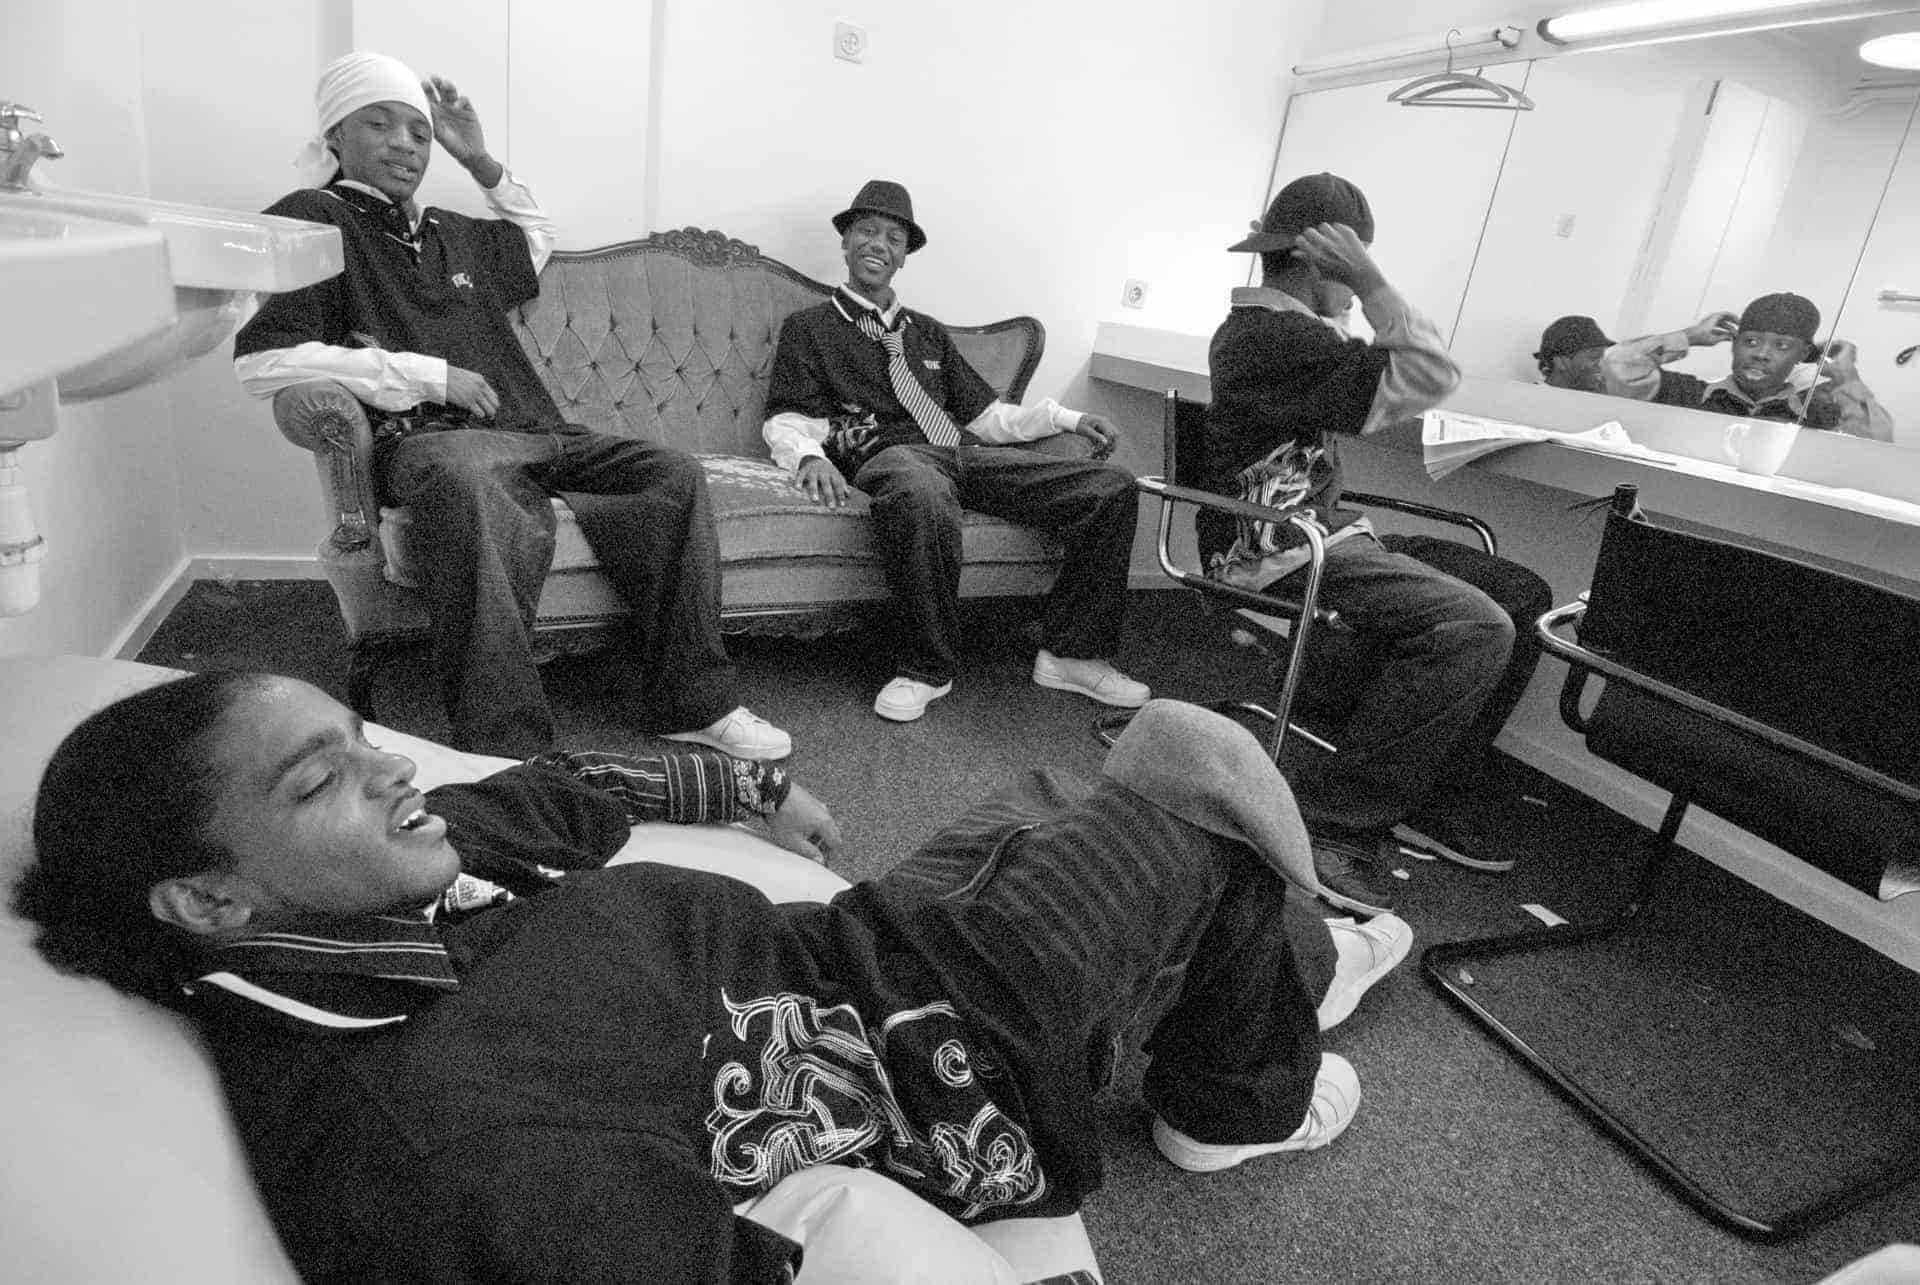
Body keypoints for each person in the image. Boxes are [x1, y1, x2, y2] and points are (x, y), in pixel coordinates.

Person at [14, 674, 1411, 1282]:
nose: (388, 768)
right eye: (322, 776)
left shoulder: (385, 879)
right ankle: (1237, 1098)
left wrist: (752, 787)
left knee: (1054, 792)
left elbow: (556, 788)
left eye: (359, 736)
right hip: (954, 1057)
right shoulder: (443, 1135)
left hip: (863, 939)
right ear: (210, 897)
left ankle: (1267, 985)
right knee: (1190, 759)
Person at [233, 52, 790, 760]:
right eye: (381, 124)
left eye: (419, 132)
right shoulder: (311, 220)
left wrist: (478, 158)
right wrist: (429, 375)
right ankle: (505, 746)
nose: (405, 144)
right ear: (335, 135)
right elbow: (263, 361)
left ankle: (694, 701)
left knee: (670, 473)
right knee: (469, 483)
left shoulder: (450, 229)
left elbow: (535, 237)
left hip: (537, 428)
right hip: (436, 443)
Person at [1202, 172, 1555, 918]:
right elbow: (1432, 373)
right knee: (1477, 624)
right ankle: (1333, 823)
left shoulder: (1283, 335)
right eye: (1350, 263)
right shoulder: (1276, 338)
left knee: (1520, 594)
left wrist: (1352, 295)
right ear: (1321, 262)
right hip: (1279, 550)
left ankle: (1423, 787)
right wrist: (1371, 283)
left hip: (1320, 534)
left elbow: (1391, 376)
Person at [763, 180, 1150, 724]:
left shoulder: (927, 333)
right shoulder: (810, 328)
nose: (878, 244)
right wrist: (808, 456)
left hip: (962, 455)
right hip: (892, 456)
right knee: (920, 486)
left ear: (904, 256)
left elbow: (989, 418)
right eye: (867, 231)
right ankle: (926, 667)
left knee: (1111, 487)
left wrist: (1067, 419)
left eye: (893, 238)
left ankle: (1071, 654)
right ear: (846, 242)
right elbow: (788, 417)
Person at [1602, 292, 1893, 441]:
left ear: (1802, 354)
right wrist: (1689, 336)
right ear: (1733, 343)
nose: (1761, 354)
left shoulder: (1816, 412)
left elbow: (1876, 447)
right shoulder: (1685, 394)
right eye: (1751, 341)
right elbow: (1616, 363)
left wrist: (1847, 378)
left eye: (1782, 346)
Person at [1535, 315, 1617, 392]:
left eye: (1603, 357)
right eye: (1594, 357)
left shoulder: (1591, 398)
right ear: (1560, 362)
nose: (1603, 365)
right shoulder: (1533, 397)